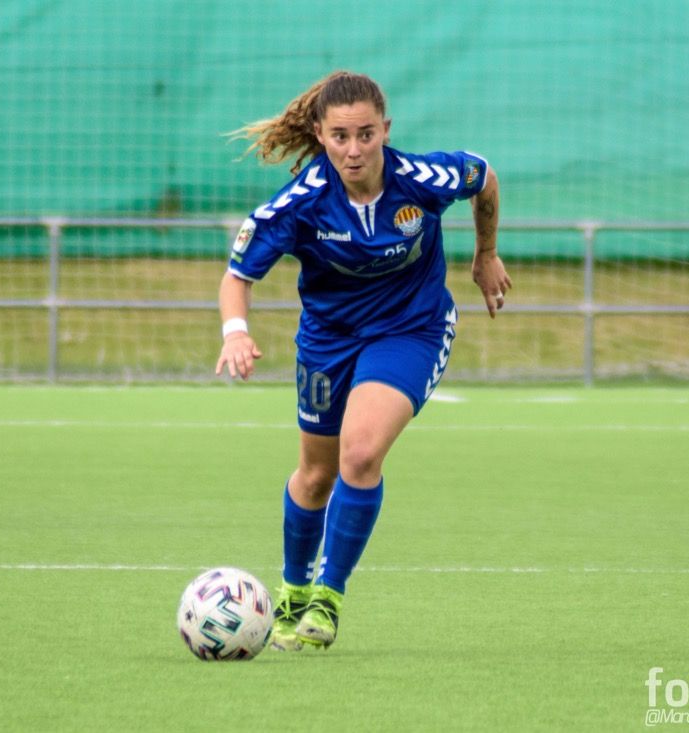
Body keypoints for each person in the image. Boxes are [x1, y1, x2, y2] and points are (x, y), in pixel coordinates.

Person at [216, 71, 511, 650]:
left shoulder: (422, 180)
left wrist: (487, 252)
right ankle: (293, 590)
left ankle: (327, 599)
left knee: (361, 451)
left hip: (411, 329)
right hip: (327, 341)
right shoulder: (300, 204)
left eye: (366, 134)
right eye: (341, 136)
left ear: (386, 130)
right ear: (321, 136)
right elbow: (237, 276)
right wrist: (235, 333)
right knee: (316, 475)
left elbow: (484, 176)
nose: (354, 150)